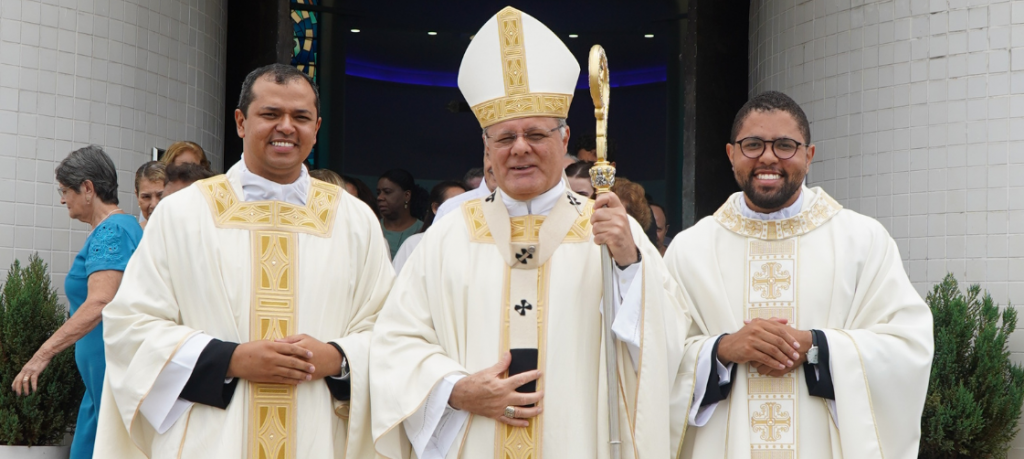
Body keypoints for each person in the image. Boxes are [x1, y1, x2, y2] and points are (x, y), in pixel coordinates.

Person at [370, 8, 687, 458]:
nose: (520, 148)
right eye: (504, 138)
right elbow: (395, 345)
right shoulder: (449, 236)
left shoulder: (609, 229)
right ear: (486, 147)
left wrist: (629, 264)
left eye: (536, 134)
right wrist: (457, 390)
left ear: (564, 138)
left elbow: (665, 342)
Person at [93, 64, 394, 459]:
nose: (286, 127)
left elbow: (391, 331)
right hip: (213, 438)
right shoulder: (182, 213)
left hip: (317, 436)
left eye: (300, 117)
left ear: (316, 127)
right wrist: (231, 359)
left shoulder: (354, 220)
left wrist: (337, 357)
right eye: (270, 114)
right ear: (240, 121)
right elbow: (129, 328)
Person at [666, 91, 933, 458]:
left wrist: (814, 344)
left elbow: (908, 347)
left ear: (809, 156)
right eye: (753, 144)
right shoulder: (690, 249)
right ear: (731, 154)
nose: (768, 157)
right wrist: (723, 349)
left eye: (785, 145)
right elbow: (657, 357)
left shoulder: (862, 240)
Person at [11, 145, 143, 459]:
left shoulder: (111, 232)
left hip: (110, 373)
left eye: (65, 190)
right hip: (101, 377)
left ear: (87, 189)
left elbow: (99, 303)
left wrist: (41, 356)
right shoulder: (117, 228)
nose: (61, 199)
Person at [392, 180, 468, 274]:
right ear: (435, 208)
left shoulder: (472, 245)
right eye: (454, 204)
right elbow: (398, 284)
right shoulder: (414, 244)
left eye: (465, 204)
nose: (461, 209)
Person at [377, 169, 426, 259]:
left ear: (407, 195)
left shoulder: (424, 230)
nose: (380, 197)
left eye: (387, 192)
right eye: (378, 193)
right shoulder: (372, 229)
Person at [433, 152, 496, 221]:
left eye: (482, 187)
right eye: (472, 189)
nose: (478, 193)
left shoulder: (502, 205)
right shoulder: (451, 208)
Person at [134, 161, 166, 230]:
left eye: (160, 195)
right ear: (137, 196)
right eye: (146, 197)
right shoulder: (133, 237)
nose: (153, 204)